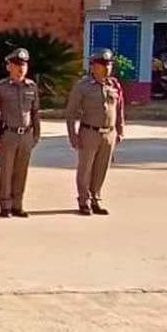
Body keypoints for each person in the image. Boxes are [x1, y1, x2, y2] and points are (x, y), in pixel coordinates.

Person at [65, 48, 125, 216]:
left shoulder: (114, 85)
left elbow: (119, 109)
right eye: (102, 64)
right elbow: (71, 113)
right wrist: (73, 135)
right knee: (86, 168)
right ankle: (84, 200)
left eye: (109, 64)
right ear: (93, 66)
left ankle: (96, 198)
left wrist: (120, 130)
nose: (107, 68)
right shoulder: (83, 86)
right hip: (90, 132)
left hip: (109, 133)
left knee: (101, 168)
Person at [0, 48, 40, 218]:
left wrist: (36, 135)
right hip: (8, 134)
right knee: (6, 170)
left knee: (21, 171)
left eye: (23, 65)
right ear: (9, 66)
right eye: (17, 65)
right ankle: (5, 204)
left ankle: (18, 204)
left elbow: (35, 113)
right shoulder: (0, 87)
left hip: (26, 134)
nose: (21, 68)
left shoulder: (32, 87)